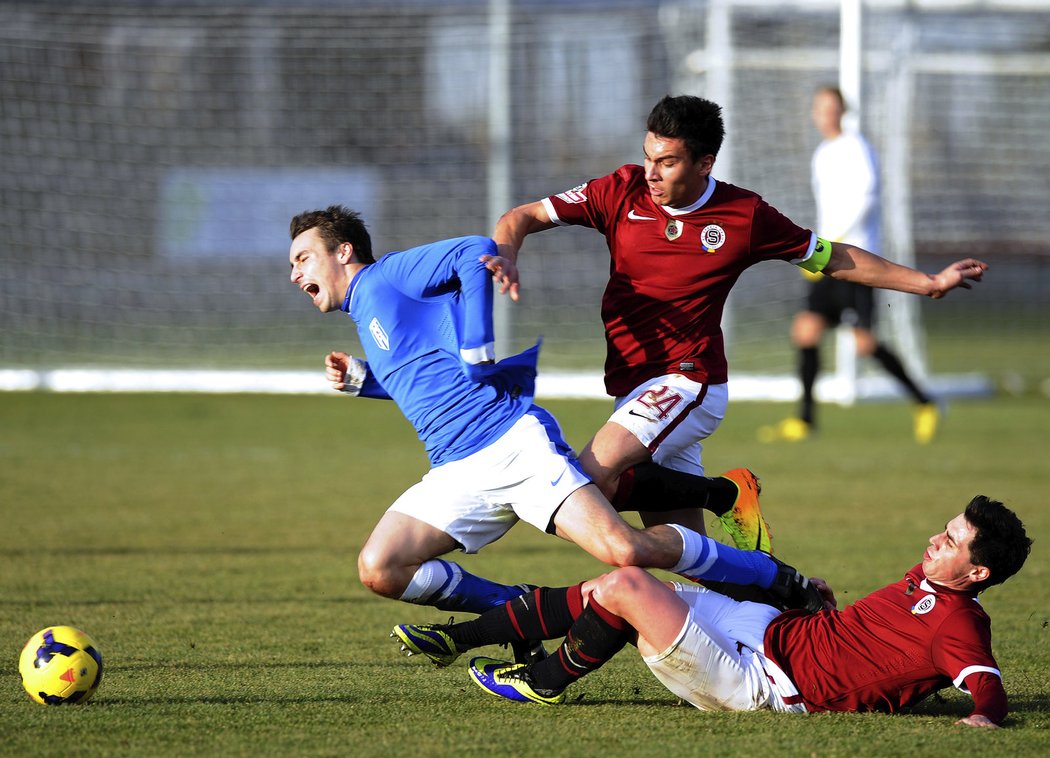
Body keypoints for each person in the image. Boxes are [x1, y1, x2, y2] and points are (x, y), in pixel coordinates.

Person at [287, 205, 823, 660]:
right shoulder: (370, 312)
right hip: (455, 469)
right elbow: (426, 383)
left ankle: (777, 580)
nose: (294, 273)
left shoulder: (387, 276)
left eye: (303, 257)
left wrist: (478, 342)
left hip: (511, 445)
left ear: (343, 252)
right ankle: (511, 606)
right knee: (381, 567)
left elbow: (473, 250)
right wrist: (365, 381)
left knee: (624, 549)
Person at [486, 95, 986, 550]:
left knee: (586, 479)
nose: (651, 173)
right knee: (680, 549)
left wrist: (927, 282)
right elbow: (520, 216)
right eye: (647, 156)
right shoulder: (618, 190)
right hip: (632, 385)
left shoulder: (743, 215)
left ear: (705, 163)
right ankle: (783, 591)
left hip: (688, 380)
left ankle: (723, 494)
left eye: (667, 162)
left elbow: (832, 257)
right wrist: (506, 255)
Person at [393, 495, 1031, 729]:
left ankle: (547, 682)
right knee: (601, 587)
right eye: (944, 528)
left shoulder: (960, 622)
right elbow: (874, 642)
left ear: (977, 573)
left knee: (626, 586)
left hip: (769, 684)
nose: (934, 540)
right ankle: (461, 637)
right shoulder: (931, 583)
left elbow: (986, 685)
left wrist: (981, 718)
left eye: (951, 541)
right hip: (773, 634)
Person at [760, 86, 940, 445]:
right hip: (826, 259)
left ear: (842, 111)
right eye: (820, 108)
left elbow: (868, 197)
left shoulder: (856, 147)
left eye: (832, 107)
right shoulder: (822, 153)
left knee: (864, 344)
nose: (825, 114)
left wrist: (833, 242)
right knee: (806, 331)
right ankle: (805, 421)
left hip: (855, 259)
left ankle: (925, 403)